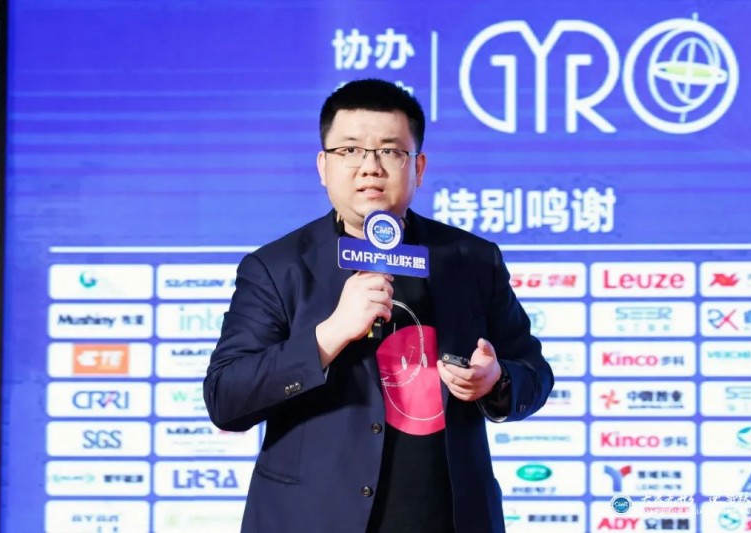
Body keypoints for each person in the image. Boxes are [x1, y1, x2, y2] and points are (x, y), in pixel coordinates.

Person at [203, 78, 554, 533]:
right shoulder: (276, 267)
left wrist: (496, 381)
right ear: (323, 166)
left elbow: (533, 372)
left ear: (418, 167)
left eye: (390, 151)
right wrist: (328, 336)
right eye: (349, 150)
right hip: (312, 519)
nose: (370, 167)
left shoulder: (471, 259)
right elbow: (226, 398)